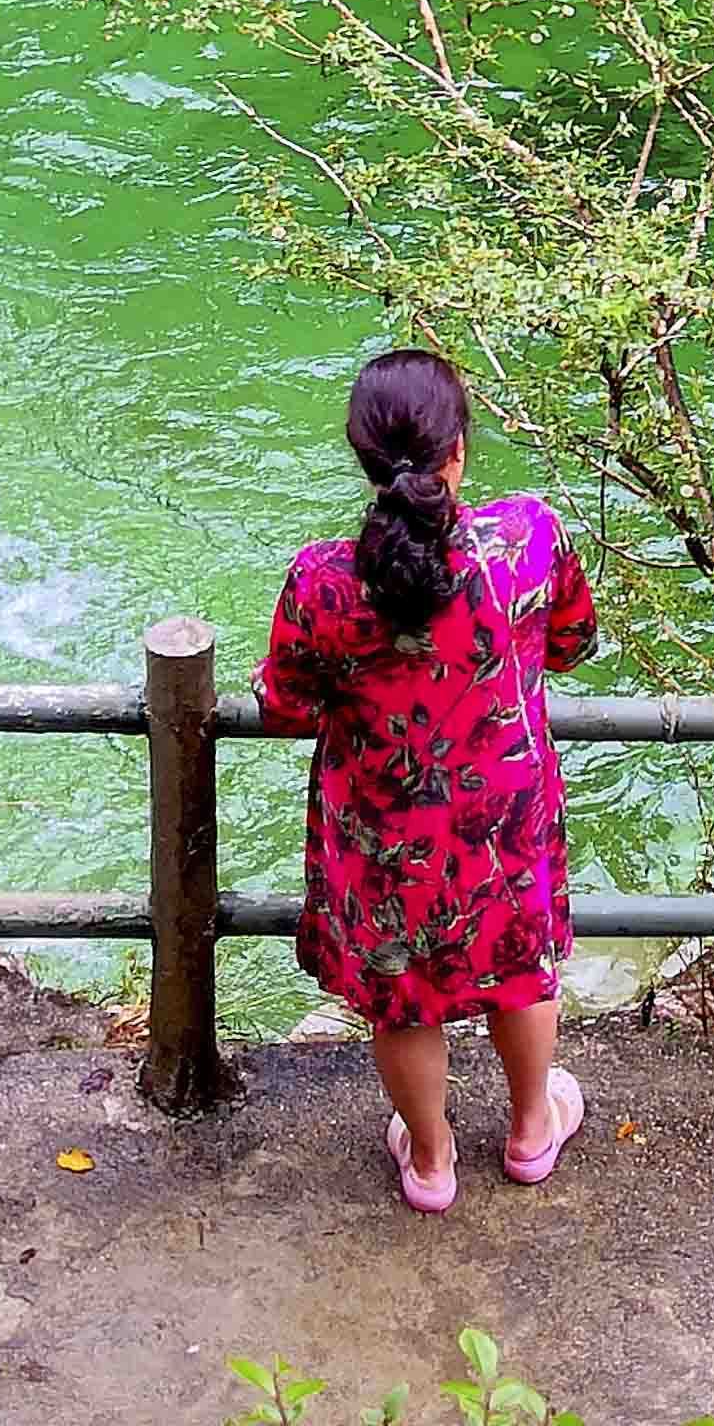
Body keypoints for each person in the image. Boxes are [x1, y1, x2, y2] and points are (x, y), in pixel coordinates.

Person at [255, 346, 602, 1209]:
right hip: (503, 820)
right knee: (521, 967)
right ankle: (529, 1132)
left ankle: (432, 1159)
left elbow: (286, 705)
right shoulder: (527, 540)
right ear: (459, 450)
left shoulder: (322, 582)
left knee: (402, 1000)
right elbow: (571, 642)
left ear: (361, 454)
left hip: (385, 835)